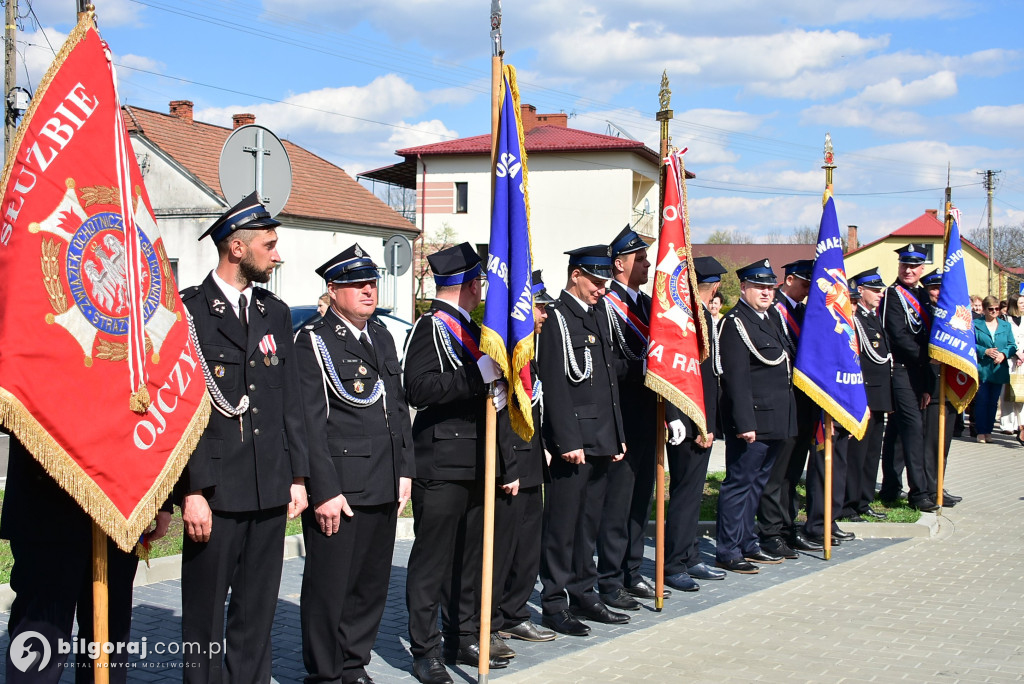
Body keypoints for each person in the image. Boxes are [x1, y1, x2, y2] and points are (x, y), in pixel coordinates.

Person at [179, 191, 309, 682]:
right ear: (237, 248)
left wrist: (298, 477)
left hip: (269, 487)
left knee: (256, 615)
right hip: (216, 490)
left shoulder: (274, 312)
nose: (277, 255)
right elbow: (184, 412)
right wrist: (193, 490)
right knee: (204, 617)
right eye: (268, 245)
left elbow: (290, 401)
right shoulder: (190, 311)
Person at [296, 245, 414, 684]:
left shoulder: (381, 335)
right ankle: (325, 673)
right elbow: (309, 423)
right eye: (357, 284)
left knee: (370, 583)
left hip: (384, 478)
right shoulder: (314, 340)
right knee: (330, 586)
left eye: (372, 282)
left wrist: (405, 470)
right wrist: (323, 489)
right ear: (333, 289)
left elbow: (397, 409)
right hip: (342, 486)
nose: (368, 290)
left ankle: (352, 663)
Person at [403, 242, 508, 684]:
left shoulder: (474, 329)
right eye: (479, 280)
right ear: (469, 284)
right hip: (441, 462)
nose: (482, 287)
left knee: (469, 558)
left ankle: (462, 635)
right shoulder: (430, 327)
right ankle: (425, 650)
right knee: (433, 563)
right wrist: (474, 377)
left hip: (477, 459)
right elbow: (418, 388)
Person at [2, 437, 170, 683]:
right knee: (39, 638)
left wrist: (161, 497)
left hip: (121, 502)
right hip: (47, 506)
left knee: (109, 637)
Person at [537, 245, 628, 635]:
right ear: (575, 275)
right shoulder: (557, 317)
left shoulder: (599, 313)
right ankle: (554, 602)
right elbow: (555, 383)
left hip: (601, 437)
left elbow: (608, 384)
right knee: (562, 526)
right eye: (595, 282)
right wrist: (565, 439)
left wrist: (618, 435)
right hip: (573, 441)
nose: (601, 289)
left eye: (605, 283)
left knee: (588, 524)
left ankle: (584, 593)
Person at [598, 225, 674, 610]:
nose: (647, 265)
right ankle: (609, 580)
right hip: (621, 417)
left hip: (648, 415)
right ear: (619, 264)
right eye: (641, 259)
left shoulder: (647, 305)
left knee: (641, 498)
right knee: (618, 503)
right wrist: (643, 369)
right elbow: (606, 364)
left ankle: (632, 570)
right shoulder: (605, 305)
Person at [715, 259, 797, 574]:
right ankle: (728, 550)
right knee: (739, 484)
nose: (765, 292)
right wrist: (745, 422)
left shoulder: (770, 318)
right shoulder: (735, 322)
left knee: (757, 484)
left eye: (769, 287)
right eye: (759, 286)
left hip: (775, 417)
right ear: (744, 287)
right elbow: (735, 379)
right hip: (754, 420)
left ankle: (748, 543)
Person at [493, 271, 558, 644]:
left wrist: (543, 445)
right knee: (502, 547)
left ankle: (516, 613)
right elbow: (499, 414)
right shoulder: (503, 349)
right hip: (510, 463)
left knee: (527, 546)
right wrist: (507, 465)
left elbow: (536, 404)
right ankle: (491, 619)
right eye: (539, 306)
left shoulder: (529, 349)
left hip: (532, 457)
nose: (544, 314)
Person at [664, 256, 728, 591]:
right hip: (689, 420)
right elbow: (678, 375)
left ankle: (688, 555)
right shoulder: (687, 319)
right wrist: (687, 421)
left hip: (701, 418)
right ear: (715, 287)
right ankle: (674, 563)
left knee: (691, 492)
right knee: (685, 494)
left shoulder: (701, 316)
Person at [756, 259, 823, 558]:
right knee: (776, 473)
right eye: (805, 283)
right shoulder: (774, 311)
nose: (808, 290)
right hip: (783, 402)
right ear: (790, 279)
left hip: (804, 402)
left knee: (793, 472)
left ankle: (787, 526)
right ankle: (770, 532)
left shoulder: (803, 311)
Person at [878, 243, 937, 512]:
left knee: (898, 432)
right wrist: (926, 358)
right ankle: (919, 493)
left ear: (922, 269)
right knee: (913, 430)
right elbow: (898, 335)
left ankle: (890, 487)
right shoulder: (892, 295)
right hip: (900, 369)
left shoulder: (923, 295)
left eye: (914, 267)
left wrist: (927, 382)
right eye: (905, 265)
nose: (908, 270)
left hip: (918, 372)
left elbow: (927, 333)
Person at [841, 268, 893, 522]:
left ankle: (863, 500)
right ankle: (848, 504)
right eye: (874, 290)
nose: (879, 294)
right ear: (860, 290)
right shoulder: (854, 319)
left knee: (872, 454)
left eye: (880, 290)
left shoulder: (872, 318)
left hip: (879, 396)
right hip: (863, 396)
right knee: (857, 454)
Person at [973, 295, 1017, 443]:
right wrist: (984, 351)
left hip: (999, 369)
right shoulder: (976, 324)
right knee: (982, 400)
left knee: (993, 402)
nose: (994, 311)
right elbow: (970, 344)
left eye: (997, 309)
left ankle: (988, 431)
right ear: (984, 309)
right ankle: (980, 431)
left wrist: (1004, 354)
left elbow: (1012, 345)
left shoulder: (1005, 325)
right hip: (982, 368)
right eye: (990, 309)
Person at [997, 293, 1024, 442]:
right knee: (1007, 393)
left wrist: (1022, 355)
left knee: (1021, 393)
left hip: (1023, 361)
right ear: (1014, 304)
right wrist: (1016, 353)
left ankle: (1021, 424)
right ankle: (1007, 424)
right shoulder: (1005, 320)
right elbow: (1004, 340)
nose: (1023, 305)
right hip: (1009, 360)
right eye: (1021, 303)